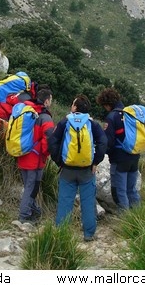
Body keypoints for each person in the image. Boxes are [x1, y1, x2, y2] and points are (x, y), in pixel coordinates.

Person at [48, 94, 107, 242]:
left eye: (73, 104)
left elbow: (53, 142)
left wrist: (59, 162)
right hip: (87, 170)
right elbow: (103, 142)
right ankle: (89, 234)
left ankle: (61, 234)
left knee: (65, 201)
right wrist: (95, 162)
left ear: (75, 107)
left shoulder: (65, 122)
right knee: (88, 201)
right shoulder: (92, 124)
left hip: (67, 169)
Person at [96, 87, 141, 212]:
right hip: (135, 156)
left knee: (119, 192)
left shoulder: (112, 117)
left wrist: (100, 152)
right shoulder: (130, 114)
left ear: (107, 104)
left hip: (120, 159)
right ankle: (139, 217)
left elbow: (108, 142)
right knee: (131, 190)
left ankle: (125, 222)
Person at [16, 87, 54, 223]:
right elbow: (49, 136)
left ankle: (33, 210)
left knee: (28, 185)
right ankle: (24, 215)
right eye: (51, 99)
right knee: (32, 187)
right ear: (47, 101)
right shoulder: (45, 117)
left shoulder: (26, 110)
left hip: (22, 153)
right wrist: (46, 152)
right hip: (35, 158)